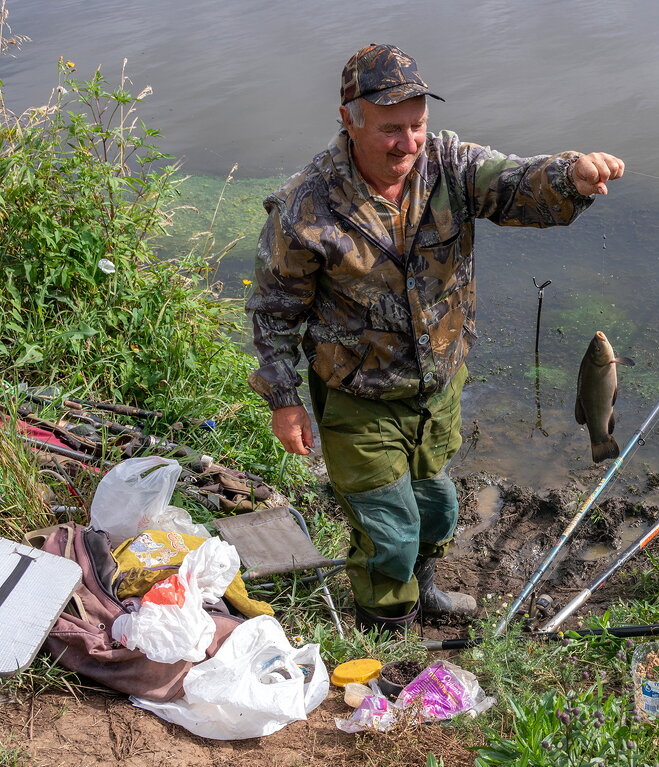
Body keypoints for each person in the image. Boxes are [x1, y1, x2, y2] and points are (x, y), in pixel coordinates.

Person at [246, 43, 624, 632]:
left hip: (438, 389)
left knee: (436, 506)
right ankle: (386, 628)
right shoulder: (305, 208)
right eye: (392, 129)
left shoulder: (449, 165)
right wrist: (283, 398)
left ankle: (424, 591)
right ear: (350, 118)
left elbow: (516, 182)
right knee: (386, 526)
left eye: (417, 125)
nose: (409, 142)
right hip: (357, 399)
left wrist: (570, 175)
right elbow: (272, 312)